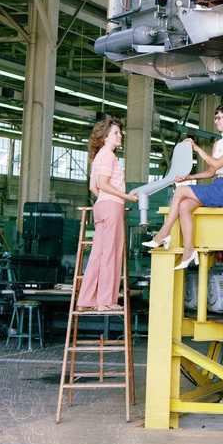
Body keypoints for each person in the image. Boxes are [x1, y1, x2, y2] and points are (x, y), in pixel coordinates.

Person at [142, 103, 223, 270]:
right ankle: (189, 250)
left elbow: (217, 163)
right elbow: (212, 171)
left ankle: (164, 233)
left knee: (181, 191)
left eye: (219, 118)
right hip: (218, 183)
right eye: (215, 117)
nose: (216, 121)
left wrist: (197, 148)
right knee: (184, 205)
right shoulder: (218, 144)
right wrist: (190, 177)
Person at [78, 118, 139, 312]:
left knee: (98, 254)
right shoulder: (109, 157)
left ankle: (86, 300)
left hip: (101, 206)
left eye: (120, 133)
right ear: (105, 137)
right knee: (111, 254)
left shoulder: (98, 157)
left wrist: (105, 199)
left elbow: (93, 187)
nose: (120, 136)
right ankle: (106, 301)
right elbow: (103, 184)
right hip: (112, 207)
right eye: (115, 133)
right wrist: (125, 197)